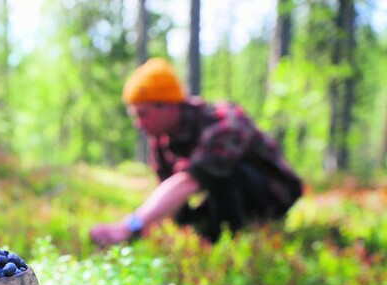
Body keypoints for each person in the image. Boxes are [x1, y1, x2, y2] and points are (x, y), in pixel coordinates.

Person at [90, 58, 303, 246]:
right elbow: (170, 198)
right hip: (221, 202)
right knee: (181, 211)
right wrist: (140, 234)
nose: (139, 124)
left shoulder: (224, 122)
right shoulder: (162, 142)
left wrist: (129, 226)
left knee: (222, 173)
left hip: (272, 197)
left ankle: (231, 244)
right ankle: (210, 238)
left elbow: (190, 181)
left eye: (143, 114)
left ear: (168, 106)